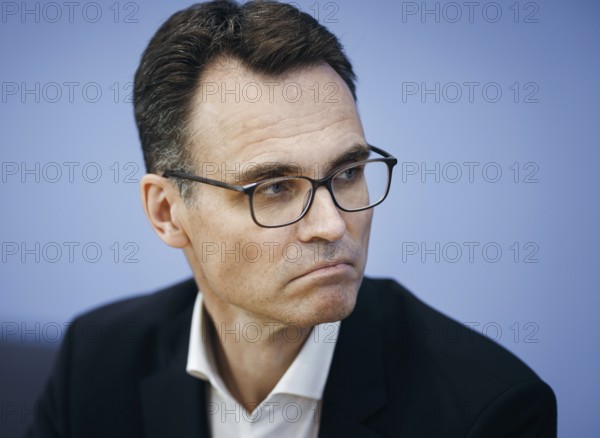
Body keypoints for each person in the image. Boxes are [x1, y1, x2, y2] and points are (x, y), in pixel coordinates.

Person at [27, 1, 557, 436]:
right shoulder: (96, 361)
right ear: (167, 213)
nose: (331, 225)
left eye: (348, 172)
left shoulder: (487, 411)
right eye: (275, 188)